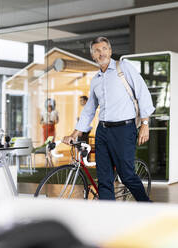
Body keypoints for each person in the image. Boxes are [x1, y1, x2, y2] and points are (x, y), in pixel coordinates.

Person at [63, 37, 155, 201]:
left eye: (104, 49)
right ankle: (108, 214)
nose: (102, 53)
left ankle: (147, 205)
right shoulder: (96, 80)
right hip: (103, 131)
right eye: (97, 50)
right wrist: (74, 133)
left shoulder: (123, 67)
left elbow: (142, 93)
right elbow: (89, 109)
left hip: (124, 130)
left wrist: (145, 123)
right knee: (104, 178)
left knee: (126, 175)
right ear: (93, 56)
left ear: (110, 51)